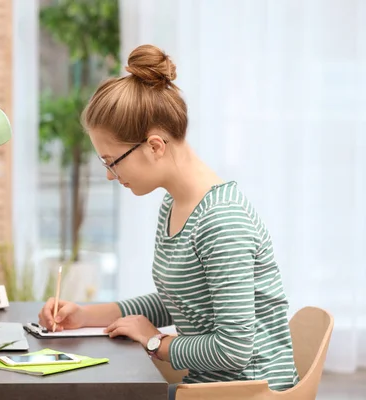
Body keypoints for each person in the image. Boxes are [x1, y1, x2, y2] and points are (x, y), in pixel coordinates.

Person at [37, 44, 299, 398]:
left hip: (247, 391)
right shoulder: (175, 205)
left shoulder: (222, 222)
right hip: (206, 385)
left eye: (112, 161)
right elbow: (179, 300)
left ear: (155, 145)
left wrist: (156, 341)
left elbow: (234, 349)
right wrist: (85, 315)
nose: (111, 176)